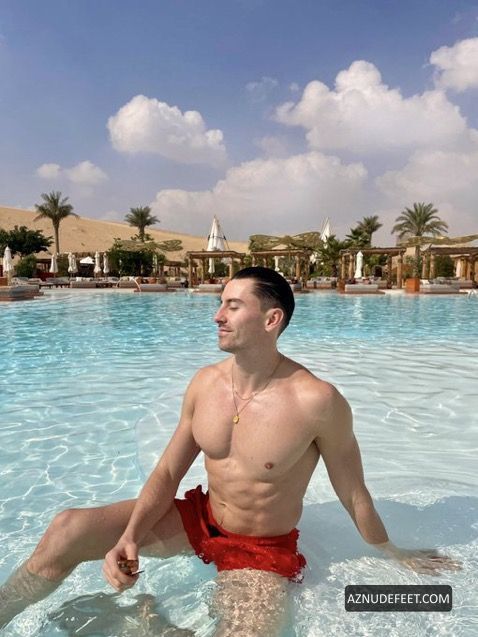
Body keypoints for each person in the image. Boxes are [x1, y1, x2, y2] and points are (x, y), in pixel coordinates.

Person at [0, 267, 461, 636]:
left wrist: (391, 550)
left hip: (258, 549)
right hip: (200, 519)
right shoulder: (206, 384)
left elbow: (353, 492)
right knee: (67, 529)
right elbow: (167, 472)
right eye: (220, 303)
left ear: (271, 320)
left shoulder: (316, 401)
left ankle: (148, 624)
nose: (217, 315)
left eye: (233, 305)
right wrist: (130, 536)